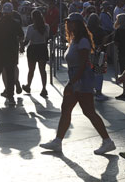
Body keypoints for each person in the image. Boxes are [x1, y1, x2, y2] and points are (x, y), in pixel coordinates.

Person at [39, 13, 115, 154]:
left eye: (72, 22)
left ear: (78, 24)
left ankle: (107, 141)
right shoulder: (75, 39)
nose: (69, 24)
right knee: (66, 108)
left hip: (81, 79)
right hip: (76, 77)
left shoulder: (83, 41)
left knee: (88, 111)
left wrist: (72, 83)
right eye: (68, 22)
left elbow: (83, 65)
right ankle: (58, 140)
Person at [0, 2, 24, 106]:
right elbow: (21, 36)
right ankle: (10, 97)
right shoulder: (15, 23)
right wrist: (21, 45)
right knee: (10, 74)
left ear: (3, 12)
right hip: (11, 52)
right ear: (11, 12)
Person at [21, 9, 50, 97]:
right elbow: (47, 37)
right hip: (42, 48)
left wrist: (21, 46)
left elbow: (27, 40)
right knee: (42, 70)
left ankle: (28, 86)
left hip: (33, 49)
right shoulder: (46, 26)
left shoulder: (30, 28)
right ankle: (44, 88)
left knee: (31, 70)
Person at [87, 13, 109, 101]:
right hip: (99, 53)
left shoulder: (87, 30)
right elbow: (105, 39)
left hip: (88, 53)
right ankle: (98, 92)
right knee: (99, 73)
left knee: (89, 72)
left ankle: (90, 90)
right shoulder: (100, 30)